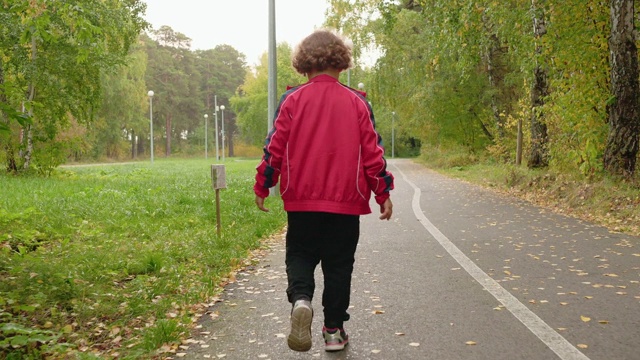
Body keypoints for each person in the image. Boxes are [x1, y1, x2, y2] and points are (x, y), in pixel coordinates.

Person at [253, 28, 394, 353]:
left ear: (303, 64)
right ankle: (333, 331)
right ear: (341, 63)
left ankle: (301, 300)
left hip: (301, 202)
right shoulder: (357, 102)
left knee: (300, 256)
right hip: (346, 203)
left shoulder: (292, 100)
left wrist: (264, 184)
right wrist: (383, 193)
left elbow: (274, 147)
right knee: (339, 266)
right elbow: (373, 153)